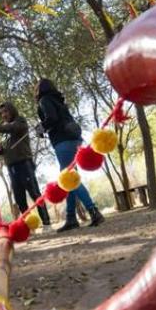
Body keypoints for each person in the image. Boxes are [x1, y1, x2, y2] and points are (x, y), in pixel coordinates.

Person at [34, 78, 105, 232]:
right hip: (75, 140)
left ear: (39, 89)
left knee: (69, 179)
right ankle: (71, 218)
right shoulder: (58, 100)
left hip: (63, 141)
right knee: (69, 179)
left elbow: (51, 118)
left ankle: (93, 211)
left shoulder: (44, 100)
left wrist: (41, 127)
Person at [0, 101, 52, 229]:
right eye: (1, 113)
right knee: (19, 199)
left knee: (34, 193)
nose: (4, 115)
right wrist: (1, 151)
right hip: (11, 167)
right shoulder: (5, 129)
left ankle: (47, 223)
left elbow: (12, 128)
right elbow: (7, 146)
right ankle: (29, 226)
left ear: (12, 111)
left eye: (6, 111)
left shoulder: (20, 121)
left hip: (24, 164)